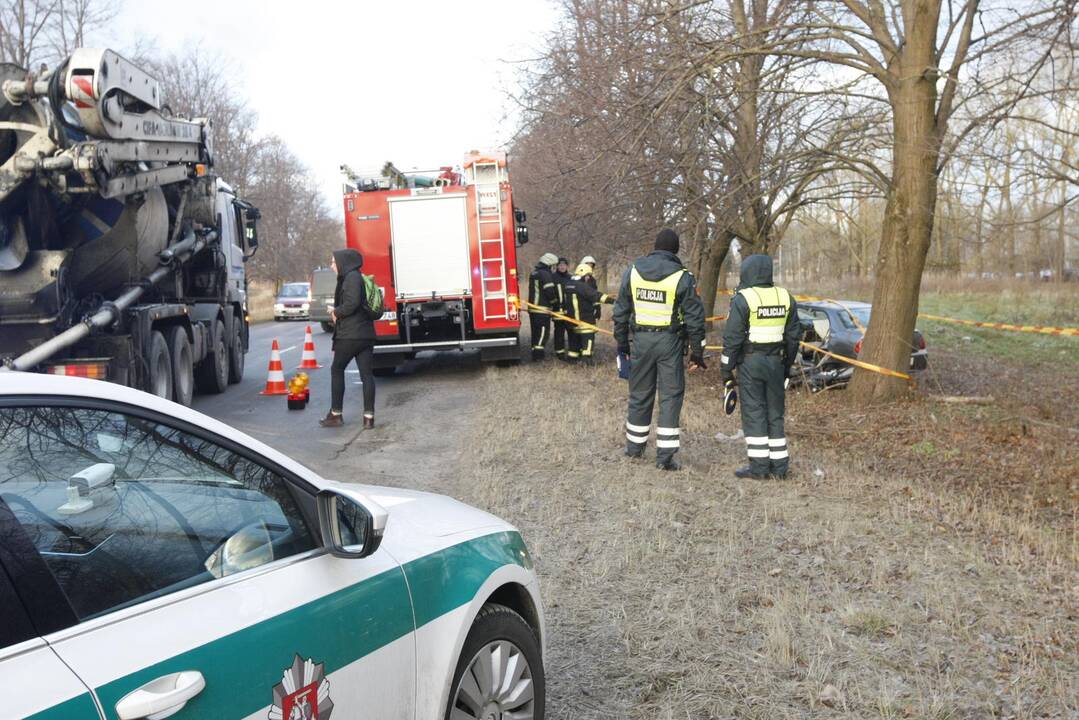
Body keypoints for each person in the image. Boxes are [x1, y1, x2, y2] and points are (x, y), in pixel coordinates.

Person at [613, 229, 706, 470]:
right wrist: (697, 352)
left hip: (641, 342)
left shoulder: (633, 272)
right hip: (669, 343)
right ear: (675, 251)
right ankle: (664, 457)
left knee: (639, 394)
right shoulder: (682, 277)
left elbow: (620, 310)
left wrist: (622, 343)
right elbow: (695, 318)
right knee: (670, 397)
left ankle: (634, 448)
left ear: (655, 247)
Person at [719, 254, 801, 479]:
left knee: (754, 412)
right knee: (775, 413)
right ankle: (780, 467)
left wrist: (726, 369)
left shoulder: (743, 298)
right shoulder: (785, 296)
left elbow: (733, 338)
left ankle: (759, 468)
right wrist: (787, 365)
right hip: (776, 362)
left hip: (751, 363)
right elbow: (794, 336)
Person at [320, 248, 376, 428]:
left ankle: (336, 414)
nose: (332, 265)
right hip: (365, 334)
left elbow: (352, 303)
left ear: (343, 262)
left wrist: (336, 311)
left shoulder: (351, 278)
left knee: (337, 369)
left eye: (334, 262)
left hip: (351, 335)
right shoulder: (356, 276)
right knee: (367, 375)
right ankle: (369, 418)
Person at [563, 263, 614, 363]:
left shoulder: (568, 285)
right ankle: (587, 362)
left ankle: (572, 360)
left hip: (572, 322)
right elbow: (596, 295)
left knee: (574, 345)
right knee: (588, 343)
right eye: (588, 276)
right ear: (584, 275)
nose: (588, 278)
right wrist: (613, 301)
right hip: (585, 321)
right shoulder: (582, 286)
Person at [527, 252, 560, 360]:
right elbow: (549, 291)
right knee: (543, 332)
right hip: (542, 309)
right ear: (549, 264)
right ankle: (538, 355)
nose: (553, 268)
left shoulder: (534, 273)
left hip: (533, 308)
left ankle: (534, 353)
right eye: (553, 266)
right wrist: (555, 302)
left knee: (535, 332)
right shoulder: (545, 274)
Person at [552, 257, 572, 361]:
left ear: (567, 266)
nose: (562, 267)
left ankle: (572, 353)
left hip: (570, 311)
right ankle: (560, 353)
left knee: (571, 332)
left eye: (564, 265)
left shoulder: (571, 278)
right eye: (560, 265)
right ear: (557, 266)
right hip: (557, 310)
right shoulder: (553, 278)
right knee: (559, 333)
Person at [580, 255, 602, 319]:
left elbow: (595, 295)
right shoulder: (577, 279)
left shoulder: (592, 280)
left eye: (591, 266)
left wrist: (598, 308)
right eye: (587, 266)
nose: (589, 268)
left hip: (590, 310)